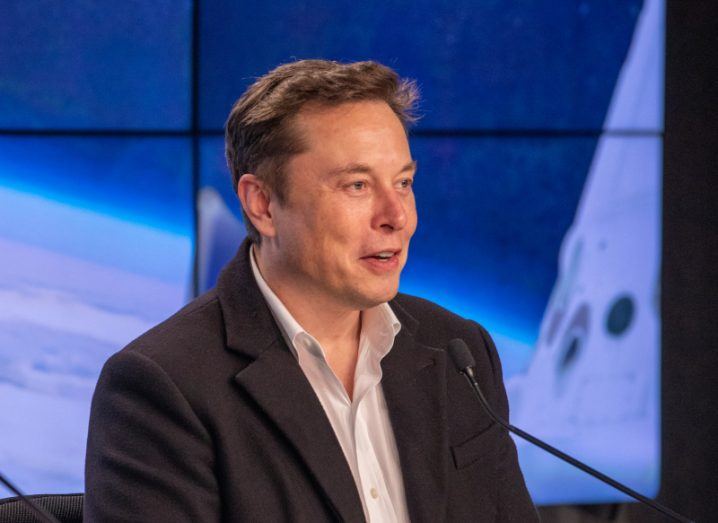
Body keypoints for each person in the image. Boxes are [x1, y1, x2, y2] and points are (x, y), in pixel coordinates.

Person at [85, 60, 538, 522]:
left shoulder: (458, 352)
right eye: (357, 185)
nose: (395, 215)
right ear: (262, 204)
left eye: (403, 183)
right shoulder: (162, 385)